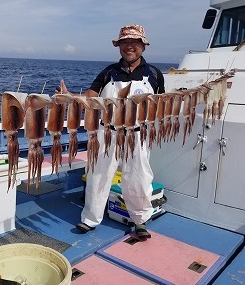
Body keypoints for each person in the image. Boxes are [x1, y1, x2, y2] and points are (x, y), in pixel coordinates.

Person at [58, 24, 165, 240]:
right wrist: (70, 96)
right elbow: (91, 97)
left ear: (143, 46)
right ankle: (90, 218)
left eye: (134, 42)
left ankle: (140, 221)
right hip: (107, 132)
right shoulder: (108, 72)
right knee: (98, 175)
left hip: (138, 133)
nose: (129, 46)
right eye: (125, 42)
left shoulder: (154, 74)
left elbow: (161, 105)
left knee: (139, 178)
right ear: (119, 46)